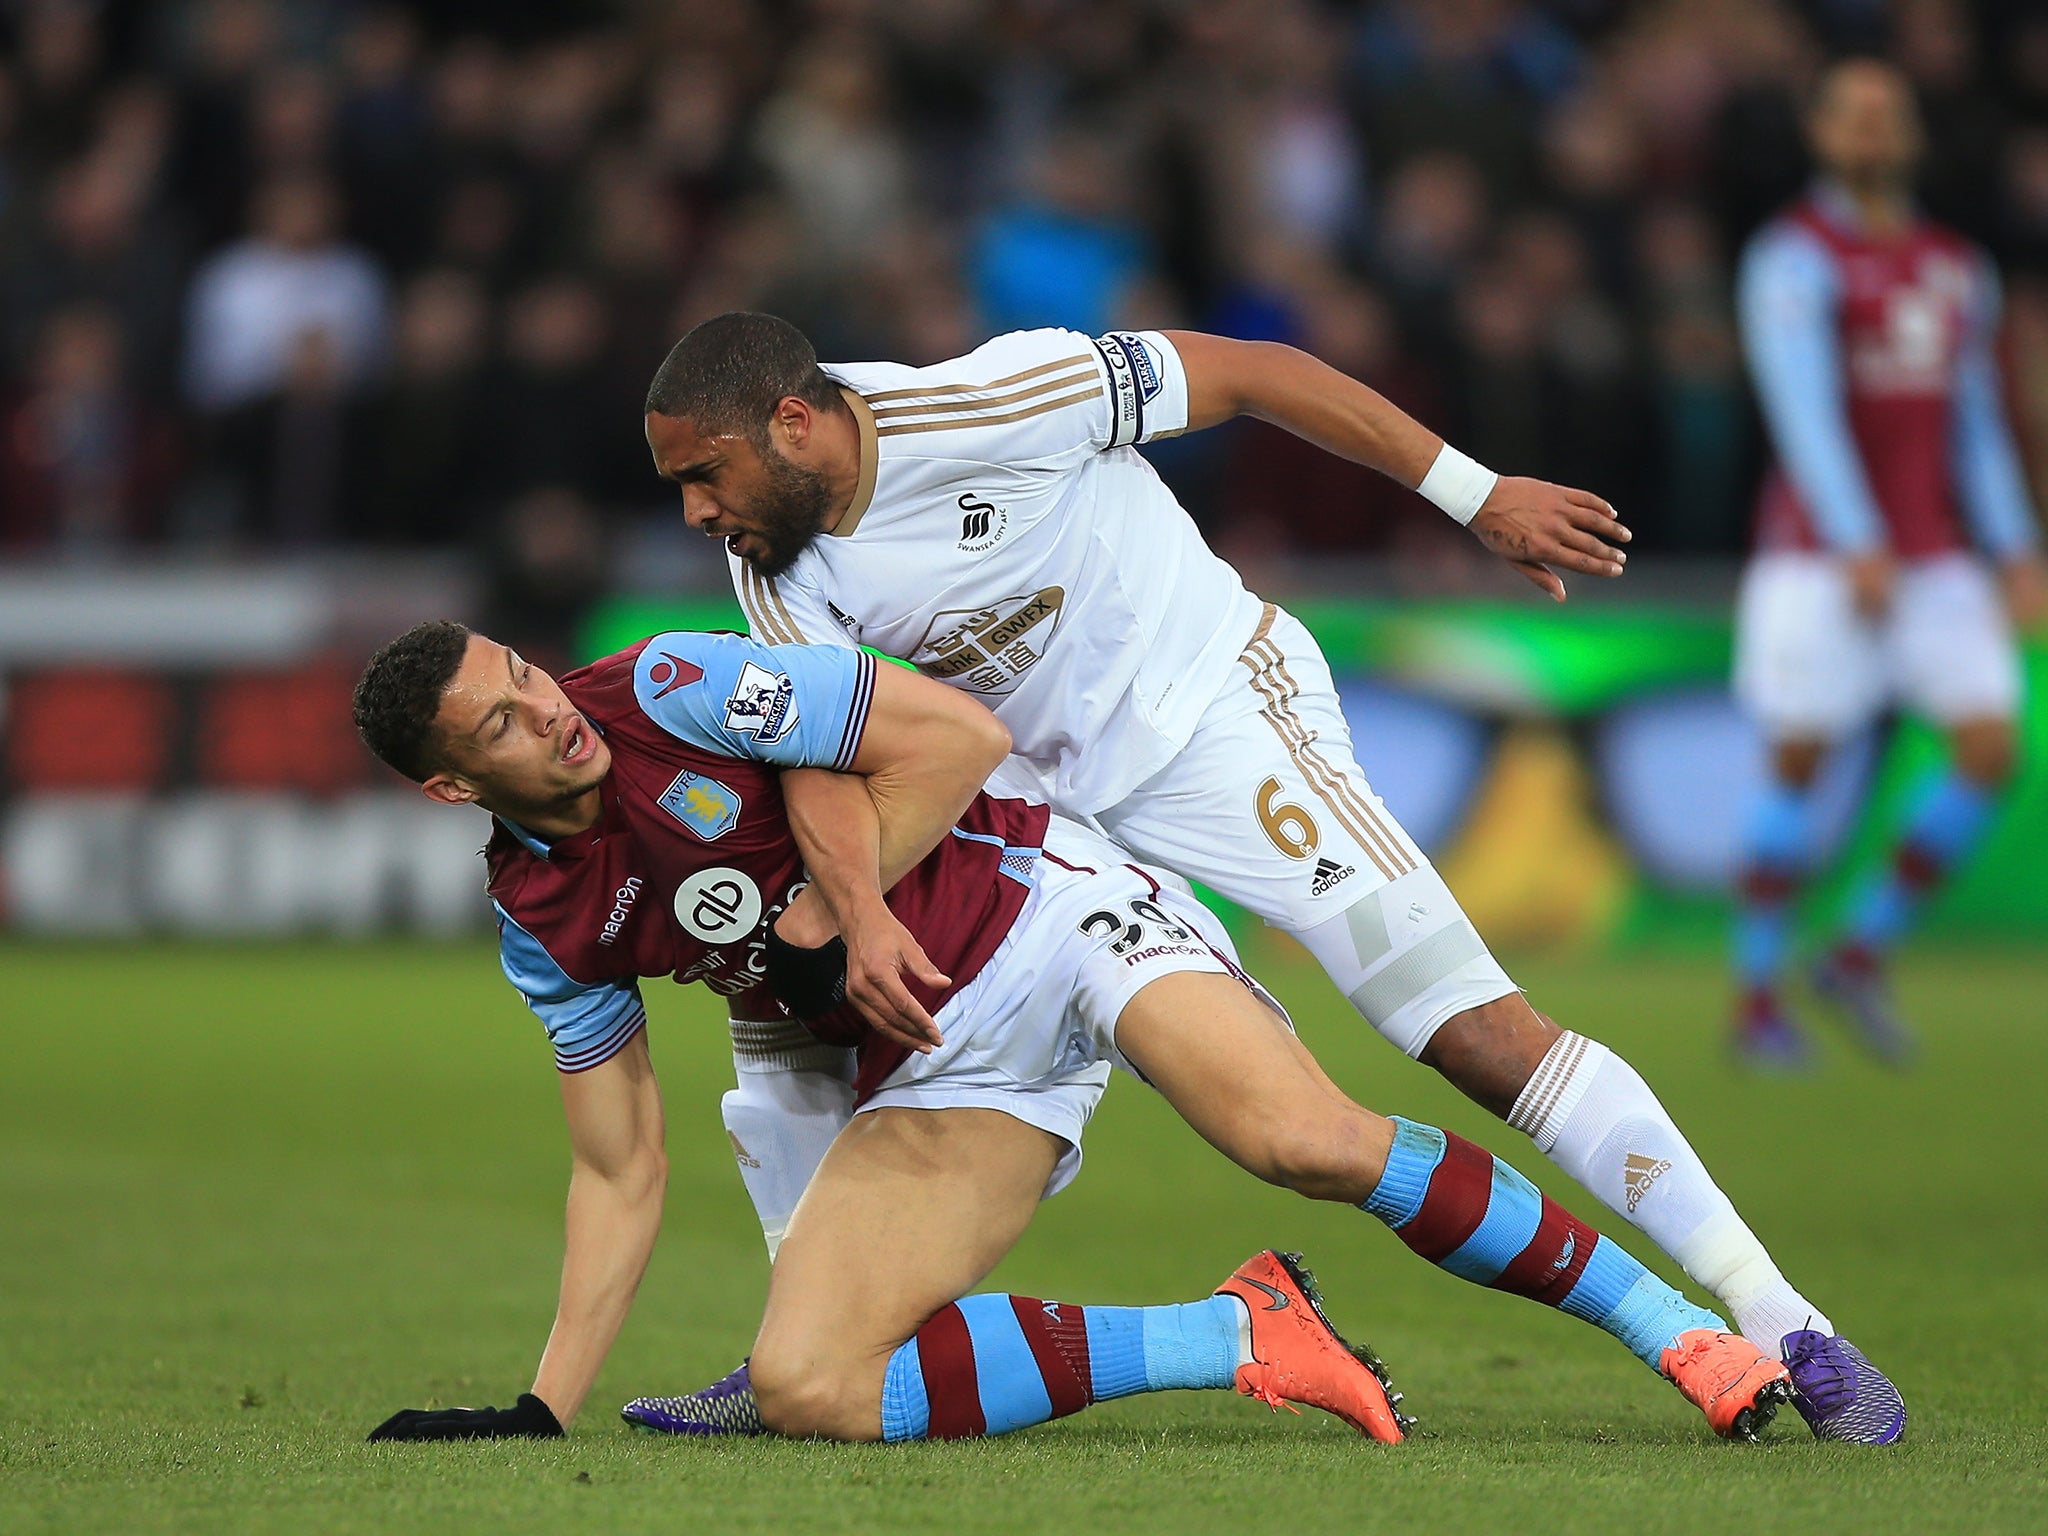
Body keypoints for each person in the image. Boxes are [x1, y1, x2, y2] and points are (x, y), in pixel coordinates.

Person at [638, 313, 1902, 1443]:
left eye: (706, 475)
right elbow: (827, 736)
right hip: (1046, 823)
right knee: (795, 982)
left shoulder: (1001, 395)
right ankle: (797, 1341)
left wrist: (1472, 493)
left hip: (1212, 727)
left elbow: (1253, 373)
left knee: (1466, 1034)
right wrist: (847, 917)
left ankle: (1777, 1316)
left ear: (795, 421)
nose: (696, 513)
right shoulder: (774, 561)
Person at [352, 621, 1805, 1446]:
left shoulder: (670, 682)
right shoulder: (545, 921)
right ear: (449, 787)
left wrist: (848, 918)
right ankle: (1243, 1332)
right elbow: (616, 1169)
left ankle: (1682, 1334)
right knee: (811, 1382)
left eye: (524, 677)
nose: (545, 715)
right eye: (498, 725)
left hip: (1055, 909)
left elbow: (947, 739)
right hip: (941, 1054)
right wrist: (543, 1410)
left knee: (1298, 1138)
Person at [1732, 59, 2048, 1068]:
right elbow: (1801, 405)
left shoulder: (1955, 265)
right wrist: (1853, 532)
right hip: (1820, 557)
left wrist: (2014, 549)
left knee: (1988, 748)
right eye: (1852, 118)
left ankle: (1857, 951)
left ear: (1907, 135)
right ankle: (1755, 999)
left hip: (1935, 554)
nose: (1870, 135)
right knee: (1798, 758)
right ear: (1821, 134)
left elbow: (1975, 427)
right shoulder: (1790, 258)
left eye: (1886, 117)